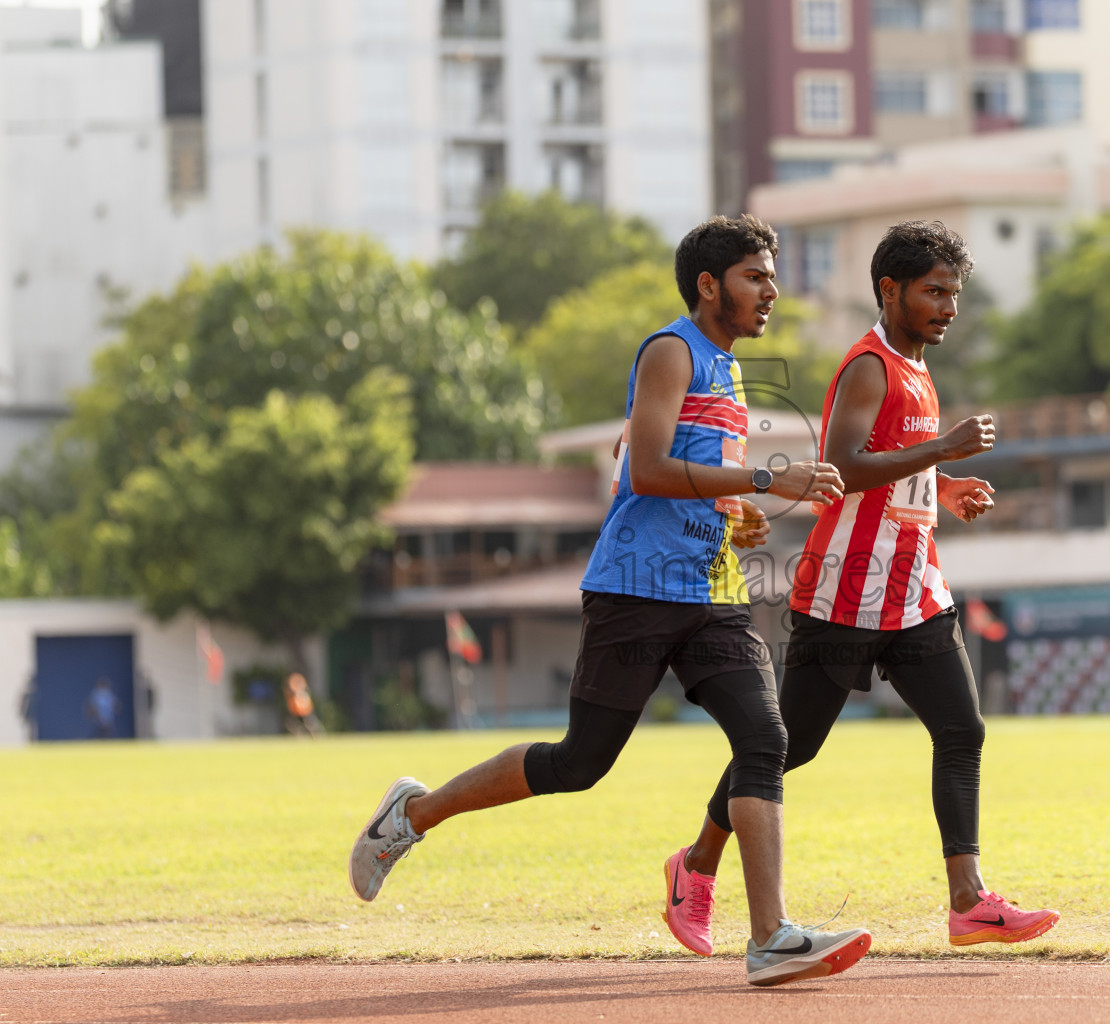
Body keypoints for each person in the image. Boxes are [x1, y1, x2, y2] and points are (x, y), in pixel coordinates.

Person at [349, 215, 872, 988]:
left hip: (713, 593)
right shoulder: (670, 351)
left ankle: (771, 939)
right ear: (709, 284)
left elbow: (679, 472)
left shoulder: (727, 370)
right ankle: (411, 816)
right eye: (756, 276)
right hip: (634, 590)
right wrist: (768, 478)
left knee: (766, 738)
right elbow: (650, 469)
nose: (771, 291)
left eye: (771, 276)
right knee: (579, 762)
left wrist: (738, 513)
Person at [662, 221, 1059, 959]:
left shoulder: (915, 367)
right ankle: (696, 866)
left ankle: (970, 902)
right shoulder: (869, 367)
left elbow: (891, 462)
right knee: (789, 748)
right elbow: (842, 462)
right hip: (846, 591)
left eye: (955, 293)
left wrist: (943, 484)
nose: (948, 306)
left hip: (913, 591)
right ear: (890, 291)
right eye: (933, 292)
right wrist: (942, 447)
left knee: (962, 730)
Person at [284, 673, 325, 737]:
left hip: (304, 711)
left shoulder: (301, 692)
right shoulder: (293, 685)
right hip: (295, 712)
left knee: (310, 723)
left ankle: (317, 735)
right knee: (292, 724)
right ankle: (300, 734)